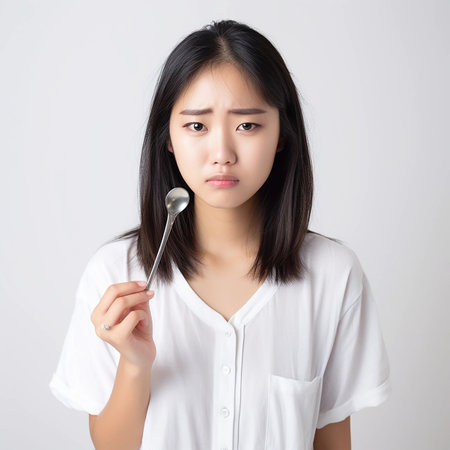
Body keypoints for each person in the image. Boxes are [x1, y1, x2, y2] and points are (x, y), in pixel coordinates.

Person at [49, 19, 391, 450]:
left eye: (247, 126)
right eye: (197, 126)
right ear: (168, 138)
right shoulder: (115, 273)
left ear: (282, 135)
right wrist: (134, 366)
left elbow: (332, 441)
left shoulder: (333, 275)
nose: (222, 154)